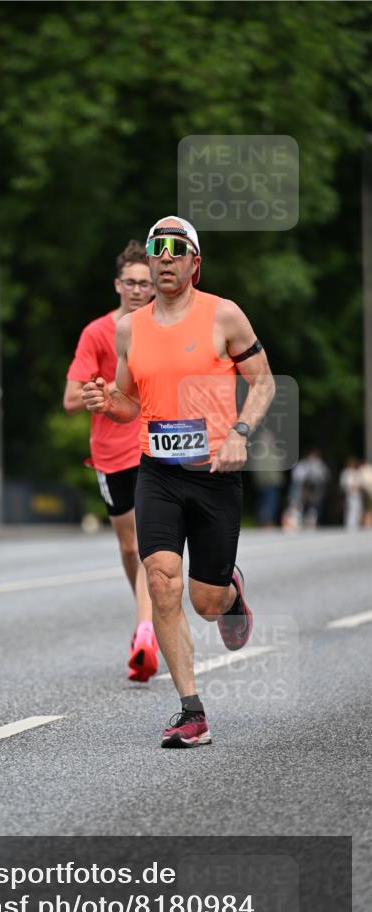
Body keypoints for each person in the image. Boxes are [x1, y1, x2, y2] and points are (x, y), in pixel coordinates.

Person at [83, 216, 275, 748]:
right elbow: (127, 405)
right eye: (156, 248)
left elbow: (262, 383)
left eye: (176, 248)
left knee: (204, 602)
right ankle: (192, 712)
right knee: (162, 582)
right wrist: (107, 402)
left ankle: (230, 596)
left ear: (195, 262)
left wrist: (240, 431)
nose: (165, 257)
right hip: (157, 473)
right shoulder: (131, 328)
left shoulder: (224, 315)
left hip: (215, 474)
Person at [64, 240, 159, 681]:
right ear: (118, 285)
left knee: (147, 545)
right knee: (128, 547)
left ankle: (147, 631)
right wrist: (94, 397)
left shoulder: (164, 328)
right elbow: (69, 398)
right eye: (132, 283)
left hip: (154, 445)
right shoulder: (97, 333)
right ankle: (146, 617)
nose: (139, 290)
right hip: (110, 452)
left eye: (147, 282)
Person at [339, 457, 363, 530]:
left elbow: (360, 482)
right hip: (349, 494)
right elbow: (344, 484)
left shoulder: (357, 472)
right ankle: (349, 525)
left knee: (358, 508)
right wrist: (350, 488)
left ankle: (356, 524)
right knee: (350, 509)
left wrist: (357, 487)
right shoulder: (345, 472)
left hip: (357, 493)